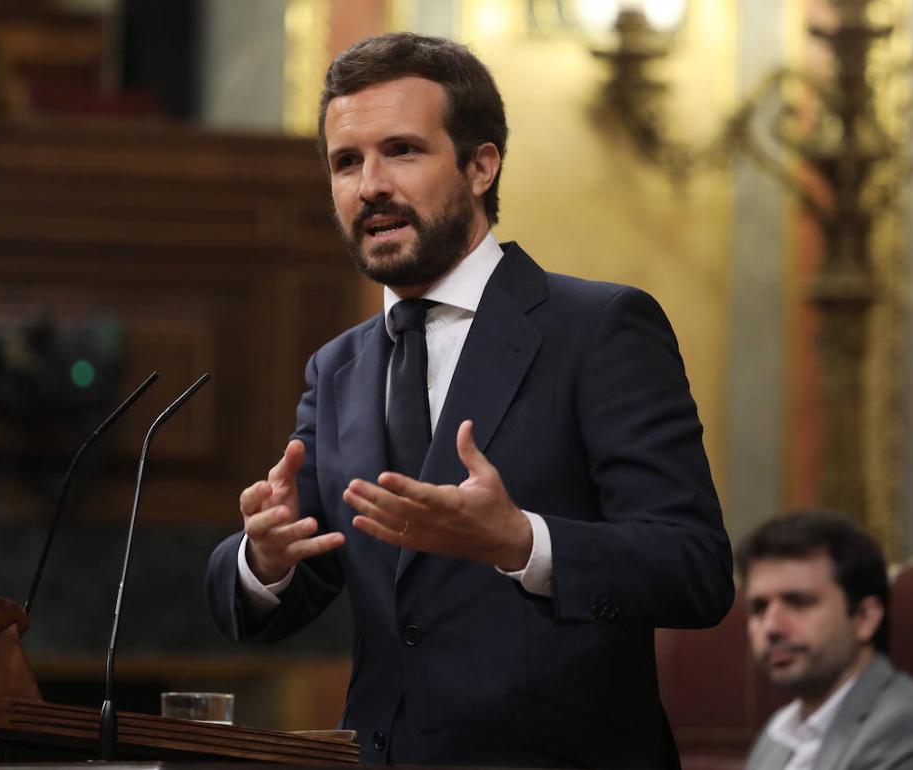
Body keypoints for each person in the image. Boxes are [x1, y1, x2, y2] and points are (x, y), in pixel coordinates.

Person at [206, 32, 733, 767]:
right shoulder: (337, 369)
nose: (371, 186)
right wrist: (264, 560)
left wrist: (523, 542)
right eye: (346, 163)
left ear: (481, 165)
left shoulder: (600, 329)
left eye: (403, 151)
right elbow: (287, 590)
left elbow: (694, 570)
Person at [739, 511, 913, 770]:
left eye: (798, 602)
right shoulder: (779, 730)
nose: (771, 627)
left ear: (864, 618)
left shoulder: (909, 725)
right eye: (759, 608)